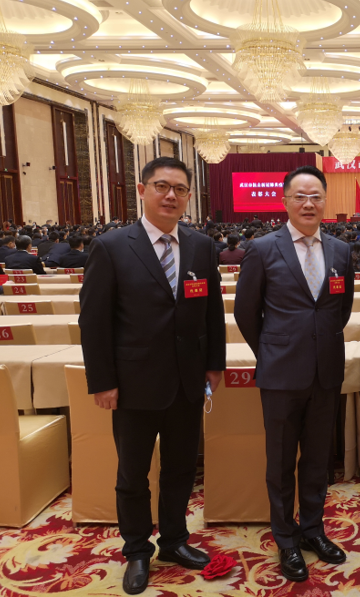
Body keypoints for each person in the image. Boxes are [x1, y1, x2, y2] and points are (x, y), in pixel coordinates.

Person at [78, 157, 226, 595]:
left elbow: (212, 311)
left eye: (179, 189)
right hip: (133, 383)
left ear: (188, 197)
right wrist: (103, 381)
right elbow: (94, 321)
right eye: (161, 186)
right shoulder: (111, 246)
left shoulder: (201, 246)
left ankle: (175, 540)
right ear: (142, 191)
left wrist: (214, 363)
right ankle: (138, 550)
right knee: (133, 475)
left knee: (181, 469)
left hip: (186, 381)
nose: (170, 196)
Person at [234, 165, 354, 583]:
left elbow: (340, 309)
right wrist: (272, 351)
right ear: (285, 201)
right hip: (281, 374)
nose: (308, 203)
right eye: (300, 196)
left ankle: (313, 529)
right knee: (281, 461)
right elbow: (246, 312)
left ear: (325, 201)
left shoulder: (340, 250)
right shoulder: (262, 248)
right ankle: (285, 538)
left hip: (326, 372)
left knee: (318, 460)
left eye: (316, 196)